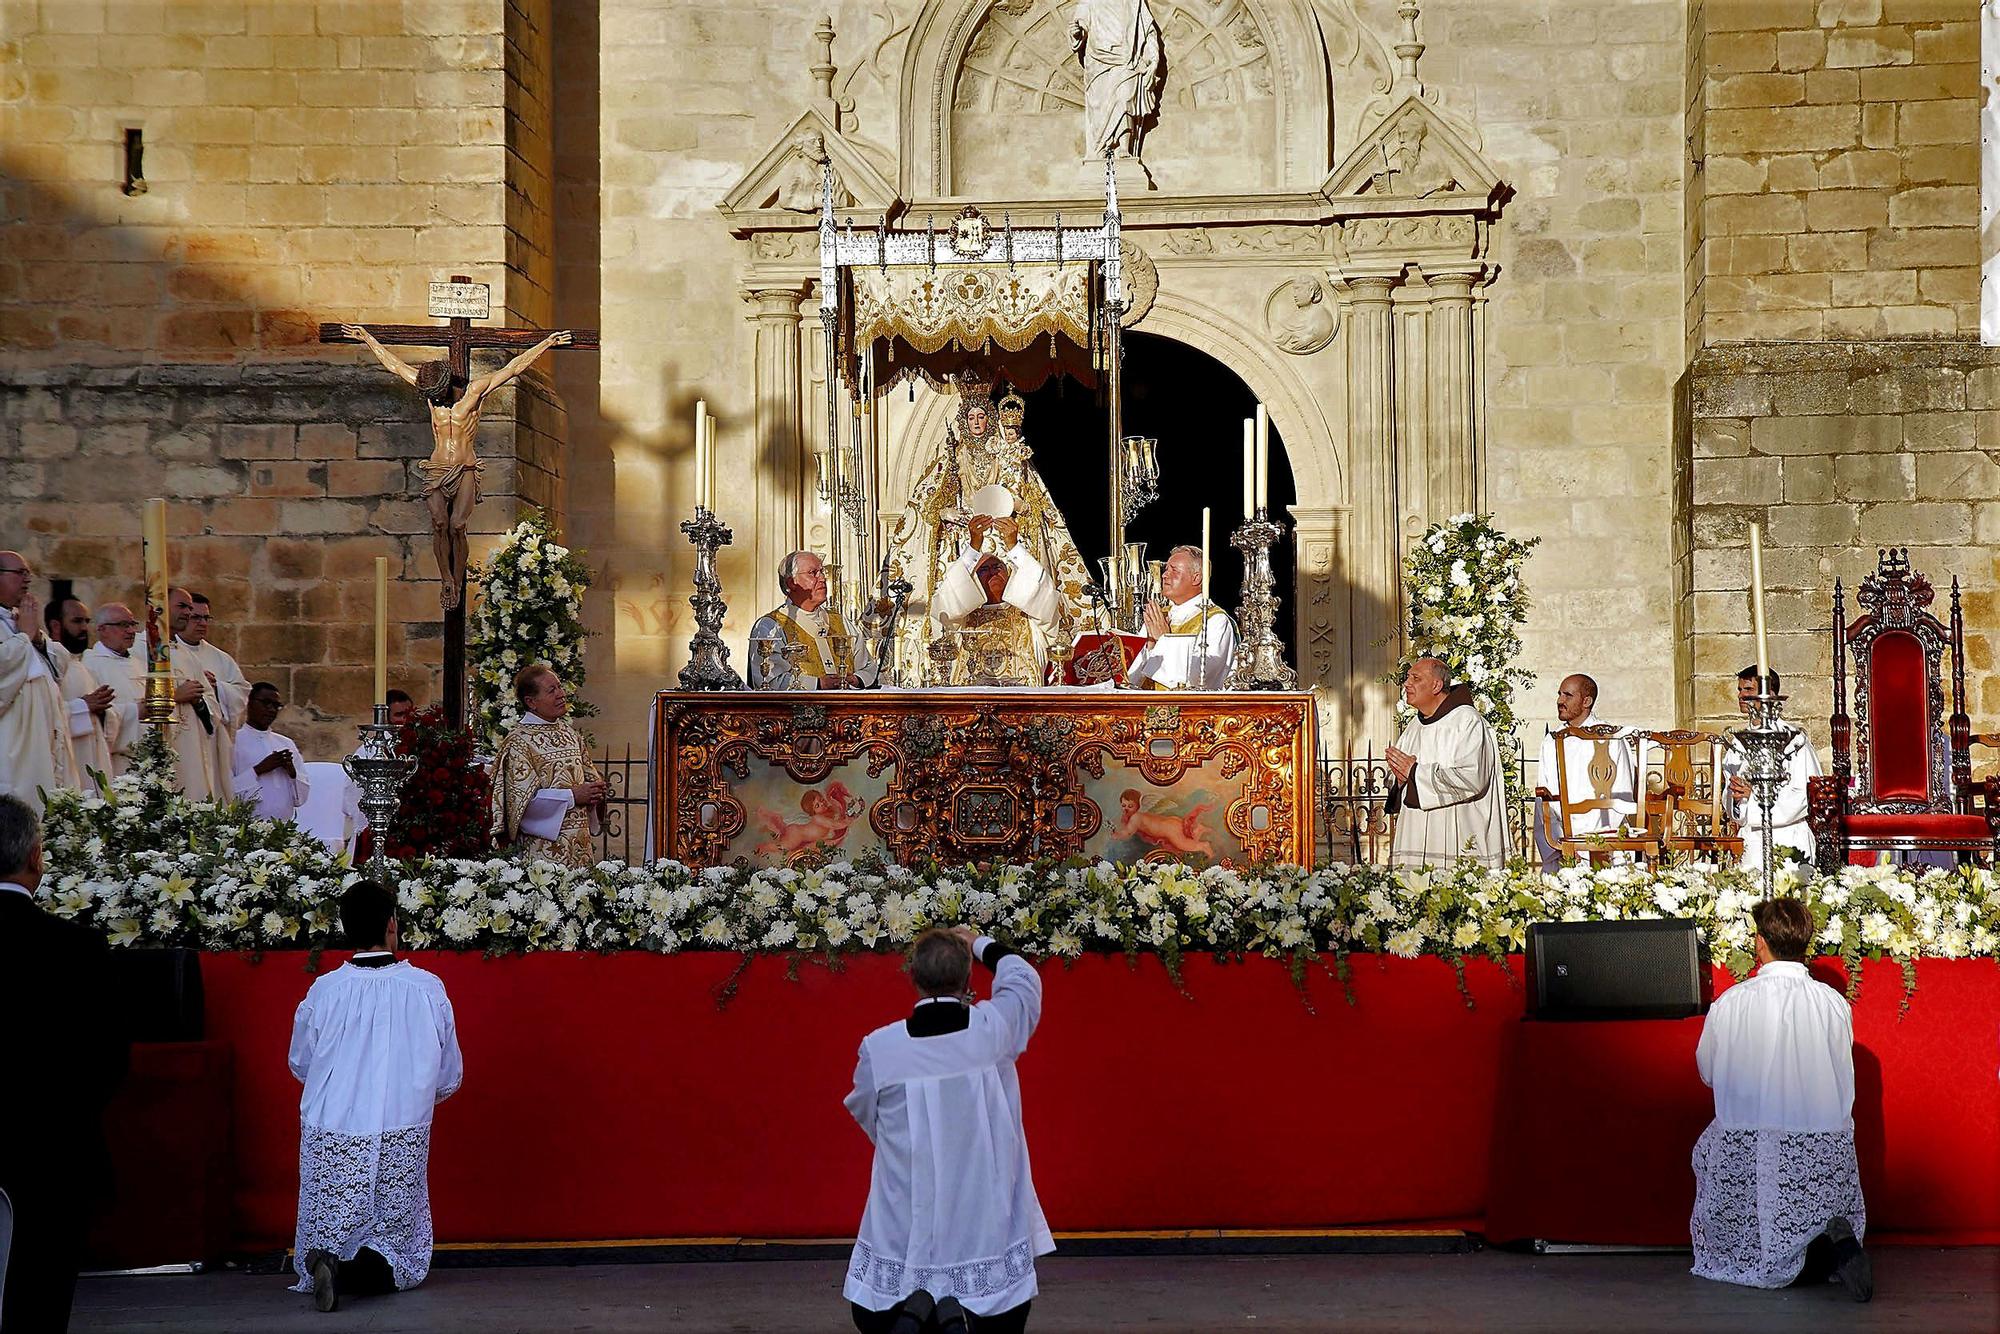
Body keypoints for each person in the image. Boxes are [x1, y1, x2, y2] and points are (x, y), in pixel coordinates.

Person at [845, 927, 1050, 1334]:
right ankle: (962, 1314)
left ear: (914, 980)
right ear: (969, 982)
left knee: (871, 1314)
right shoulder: (993, 1030)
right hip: (981, 1211)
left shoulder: (881, 1048)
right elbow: (1023, 978)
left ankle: (914, 1307)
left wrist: (903, 1147)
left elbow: (866, 1111)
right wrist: (978, 942)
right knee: (1002, 1312)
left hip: (908, 1206)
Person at [290, 879, 464, 1313]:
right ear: (392, 924)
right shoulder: (426, 988)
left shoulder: (325, 991)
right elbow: (449, 1074)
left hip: (333, 1129)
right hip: (401, 1126)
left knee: (333, 1224)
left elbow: (301, 1063)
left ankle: (327, 1262)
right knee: (399, 1252)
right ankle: (344, 1272)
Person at [1691, 897, 1871, 1300]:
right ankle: (1831, 1248)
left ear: (1760, 943)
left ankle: (1809, 1255)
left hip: (1749, 1141)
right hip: (1822, 1144)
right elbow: (1844, 1071)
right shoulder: (1833, 1004)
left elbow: (1707, 1071)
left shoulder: (1731, 1003)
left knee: (1720, 1166)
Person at [0, 794, 129, 1334]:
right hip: (53, 1151)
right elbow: (109, 1058)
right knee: (41, 1299)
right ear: (36, 857)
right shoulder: (78, 948)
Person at [343, 323, 574, 611]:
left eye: (438, 396)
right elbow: (395, 366)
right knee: (440, 524)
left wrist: (546, 344)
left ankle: (459, 578)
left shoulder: (474, 393)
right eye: (431, 397)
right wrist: (368, 339)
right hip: (437, 469)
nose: (435, 401)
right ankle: (447, 580)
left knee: (458, 525)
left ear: (448, 385)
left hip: (464, 468)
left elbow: (513, 369)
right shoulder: (430, 391)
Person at [880, 382, 1091, 685]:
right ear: (963, 421)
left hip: (1003, 535)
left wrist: (1013, 527)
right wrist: (950, 516)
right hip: (969, 538)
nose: (977, 422)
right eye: (971, 417)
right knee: (953, 597)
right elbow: (930, 502)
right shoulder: (952, 456)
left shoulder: (1005, 453)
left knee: (1027, 585)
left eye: (982, 416)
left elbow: (1029, 498)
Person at [1385, 656, 1510, 868]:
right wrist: (1398, 780)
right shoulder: (1414, 725)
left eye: (1415, 678)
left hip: (1459, 837)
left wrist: (1415, 773)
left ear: (1436, 685)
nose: (1407, 684)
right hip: (1415, 833)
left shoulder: (1467, 721)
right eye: (1407, 678)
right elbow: (1401, 774)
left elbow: (1472, 777)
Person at [489, 663, 607, 867]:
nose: (561, 694)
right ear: (531, 702)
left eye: (560, 687)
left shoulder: (570, 734)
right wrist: (572, 796)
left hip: (580, 848)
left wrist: (595, 792)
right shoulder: (519, 742)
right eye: (552, 690)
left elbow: (589, 779)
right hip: (541, 854)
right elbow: (519, 806)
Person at [934, 512, 1062, 687]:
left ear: (1010, 575)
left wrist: (1013, 546)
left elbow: (1041, 587)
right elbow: (947, 600)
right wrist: (973, 547)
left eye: (997, 567)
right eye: (984, 569)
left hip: (1023, 708)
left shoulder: (1031, 616)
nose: (993, 572)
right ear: (973, 579)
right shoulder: (961, 620)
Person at [0, 551, 81, 812]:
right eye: (20, 573)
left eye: (28, 573)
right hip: (13, 741)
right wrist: (24, 636)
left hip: (43, 738)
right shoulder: (19, 627)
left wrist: (35, 638)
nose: (27, 580)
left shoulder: (17, 621)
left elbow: (60, 663)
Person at [1721, 666, 1822, 871]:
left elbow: (1806, 793)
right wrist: (1737, 796)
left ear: (1770, 694)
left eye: (1748, 690)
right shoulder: (1738, 742)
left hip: (1786, 837)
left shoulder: (1793, 740)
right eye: (1740, 690)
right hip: (1750, 839)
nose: (1741, 695)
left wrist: (1756, 795)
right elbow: (1730, 796)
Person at [1533, 673, 1638, 869]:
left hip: (1604, 839)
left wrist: (1593, 843)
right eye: (1559, 694)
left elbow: (1622, 791)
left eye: (1568, 695)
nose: (1560, 700)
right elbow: (1543, 796)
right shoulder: (1552, 740)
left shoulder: (1611, 737)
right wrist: (1559, 841)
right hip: (1563, 841)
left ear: (1586, 701)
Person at [748, 550, 877, 690]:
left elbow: (868, 667)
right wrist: (818, 684)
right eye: (813, 573)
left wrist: (856, 679)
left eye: (822, 572)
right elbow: (769, 680)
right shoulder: (770, 626)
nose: (822, 578)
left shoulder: (841, 622)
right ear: (792, 583)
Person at [1127, 545, 1237, 691]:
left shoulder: (1215, 620)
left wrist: (1163, 639)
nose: (1164, 575)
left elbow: (1201, 678)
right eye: (1166, 569)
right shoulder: (1159, 616)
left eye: (1174, 570)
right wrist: (1150, 646)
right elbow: (1130, 678)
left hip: (1190, 711)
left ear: (1196, 578)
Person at [180, 592, 252, 795]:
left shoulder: (221, 658)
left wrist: (217, 687)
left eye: (206, 618)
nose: (202, 623)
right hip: (183, 740)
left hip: (212, 743)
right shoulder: (168, 653)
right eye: (196, 617)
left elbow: (242, 694)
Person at [48, 595, 120, 786]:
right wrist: (83, 706)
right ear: (56, 626)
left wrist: (104, 712)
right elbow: (44, 717)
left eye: (87, 621)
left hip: (95, 759)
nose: (84, 628)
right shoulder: (48, 664)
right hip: (69, 764)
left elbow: (106, 723)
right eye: (77, 621)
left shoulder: (83, 666)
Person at [163, 586, 222, 800]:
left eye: (190, 607)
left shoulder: (187, 656)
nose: (188, 613)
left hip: (192, 752)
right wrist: (174, 696)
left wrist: (199, 701)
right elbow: (136, 700)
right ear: (158, 606)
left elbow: (212, 708)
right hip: (161, 751)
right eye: (182, 606)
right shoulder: (140, 651)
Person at [232, 682, 311, 823]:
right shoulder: (234, 742)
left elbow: (300, 798)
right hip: (246, 827)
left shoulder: (286, 743)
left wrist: (292, 772)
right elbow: (226, 790)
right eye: (266, 703)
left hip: (283, 827)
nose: (271, 710)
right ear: (248, 703)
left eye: (276, 706)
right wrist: (259, 769)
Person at [85, 602, 148, 776]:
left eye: (132, 624)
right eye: (123, 625)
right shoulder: (90, 664)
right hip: (117, 761)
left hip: (149, 758)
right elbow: (96, 714)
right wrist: (136, 711)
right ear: (102, 629)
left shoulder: (141, 664)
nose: (131, 631)